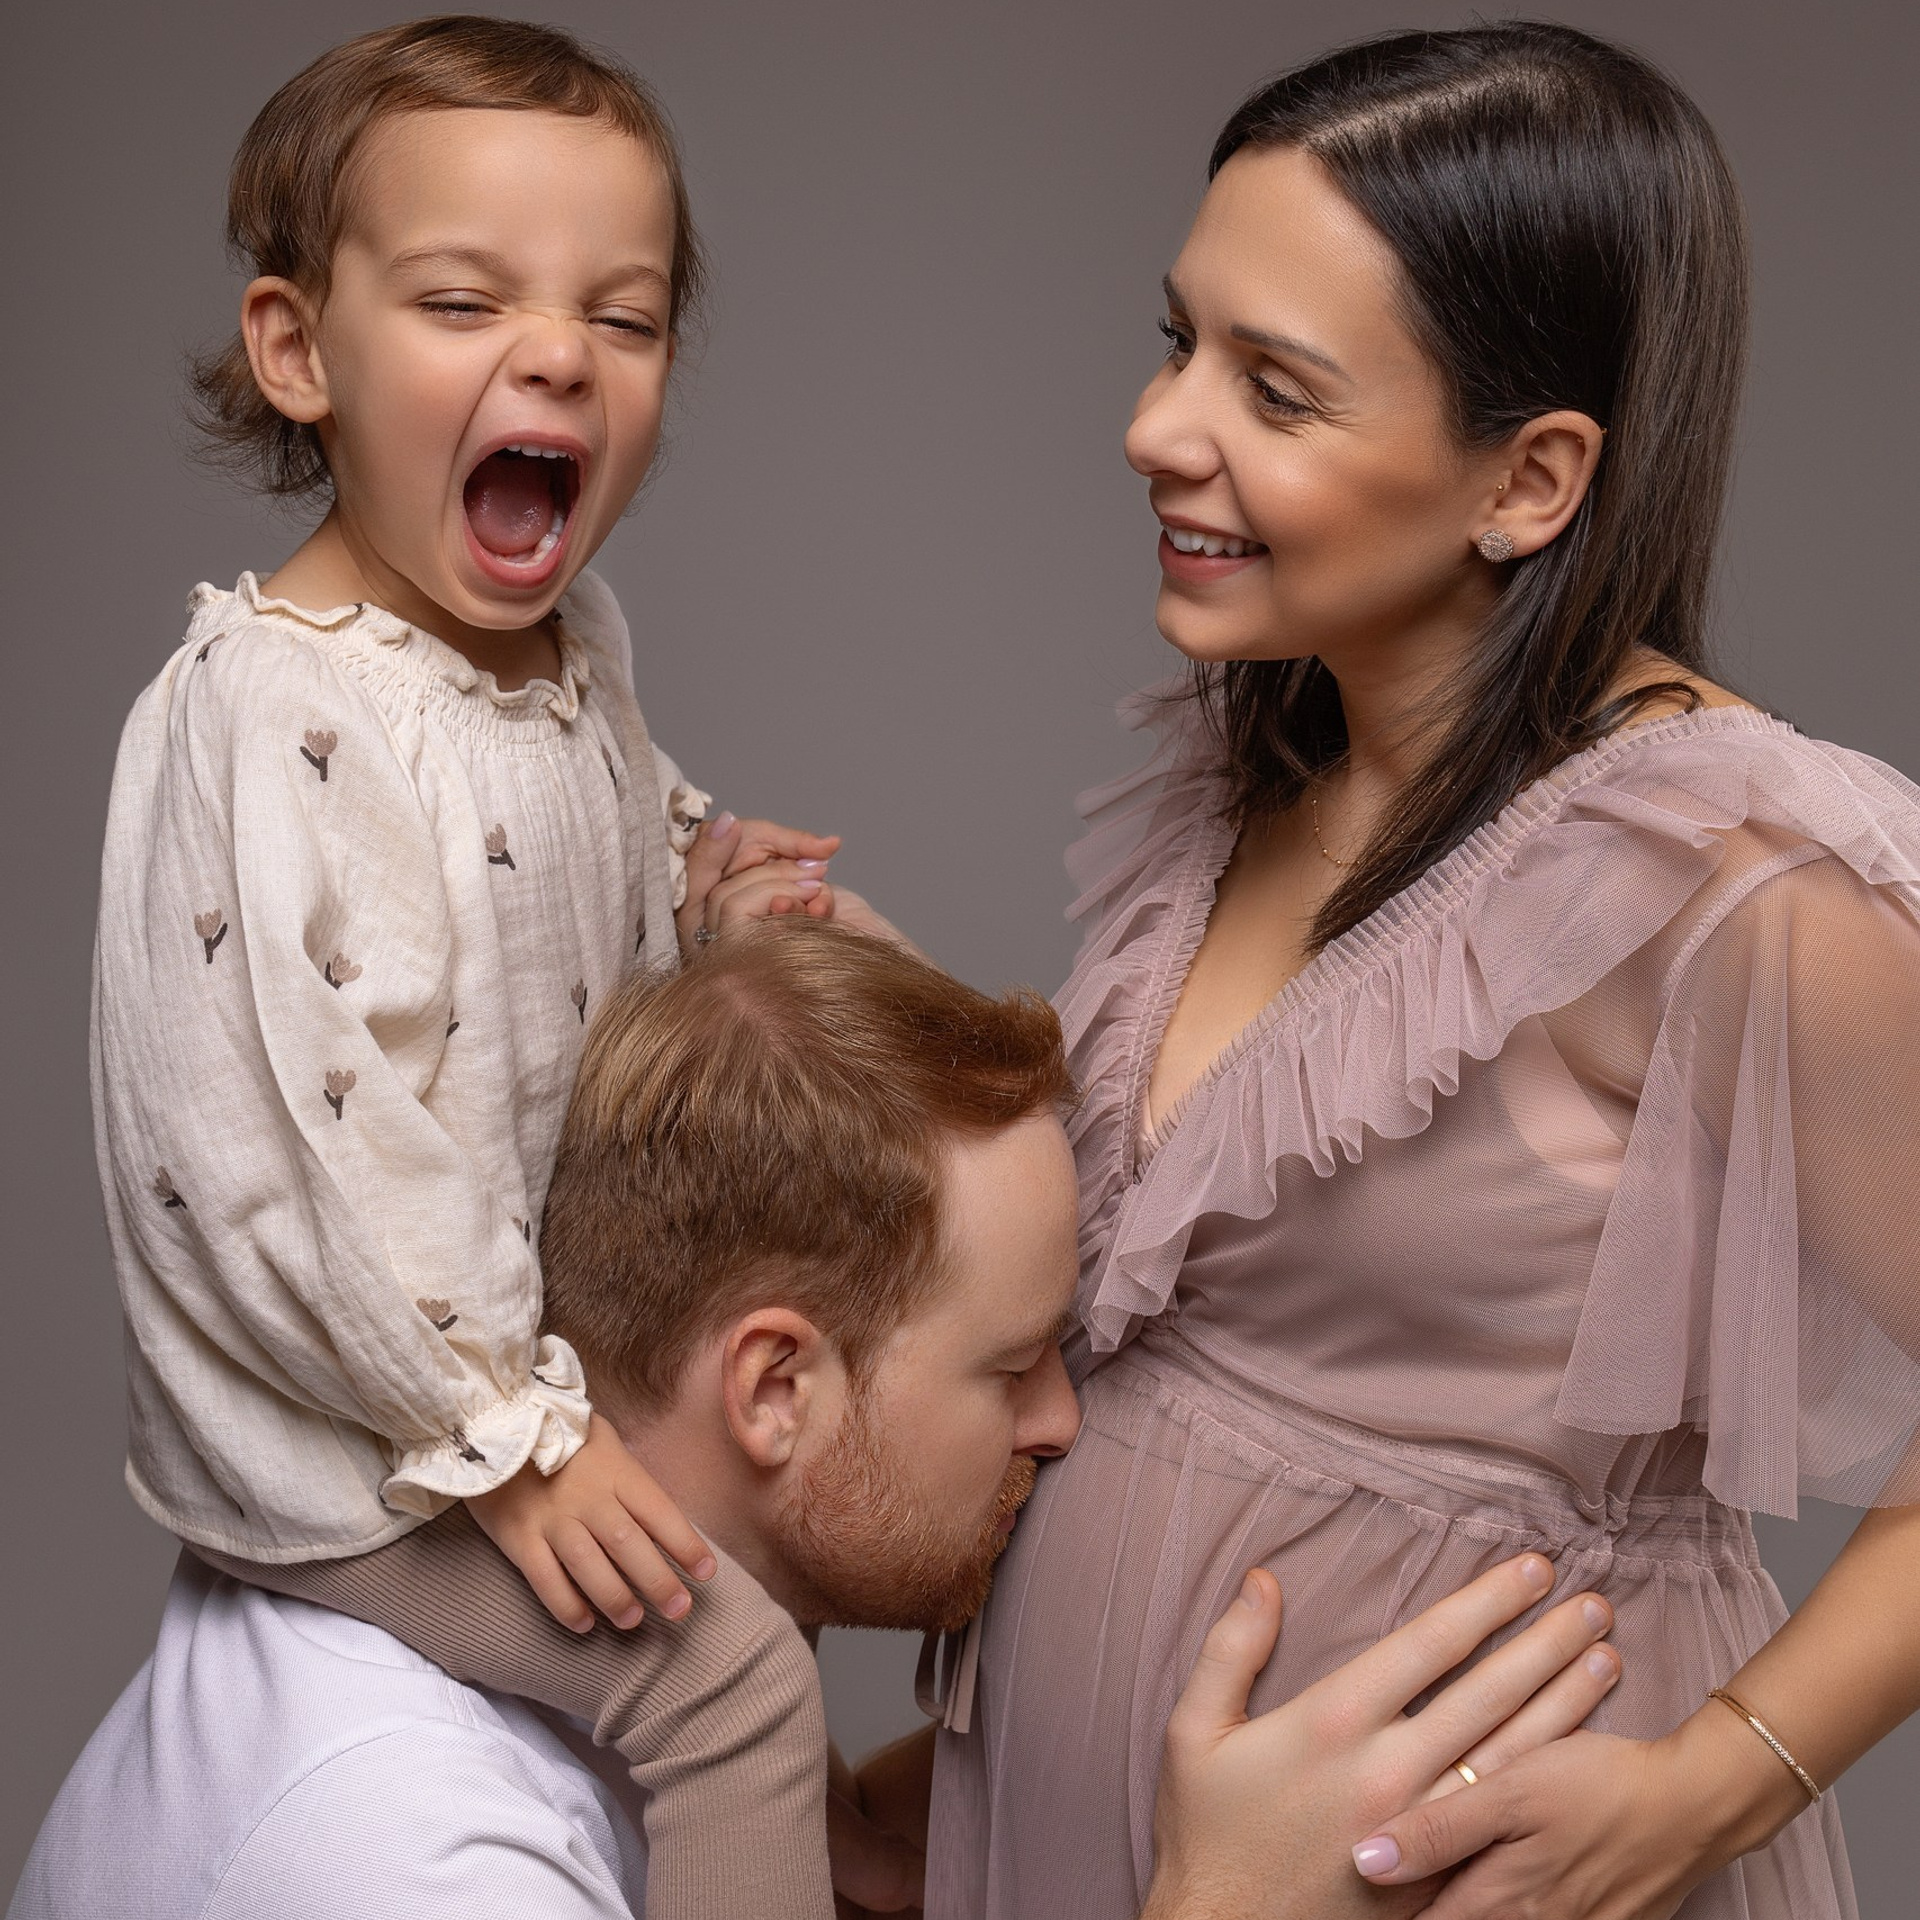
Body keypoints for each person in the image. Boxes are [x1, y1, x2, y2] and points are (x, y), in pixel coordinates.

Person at [926, 22, 1920, 1920]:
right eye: (1178, 339)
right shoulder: (1250, 763)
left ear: (1530, 479)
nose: (1160, 425)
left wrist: (1706, 1792)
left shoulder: (1730, 876)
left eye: (1275, 389)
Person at [15, 924, 1625, 1919]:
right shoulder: (407, 1854)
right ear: (774, 1389)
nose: (1064, 1423)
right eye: (1012, 1368)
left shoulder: (564, 1703)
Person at [90, 20, 860, 1917]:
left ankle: (806, 1861)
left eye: (629, 315)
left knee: (771, 1538)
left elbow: (590, 825)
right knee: (735, 1684)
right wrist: (498, 1451)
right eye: (463, 299)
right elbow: (301, 1131)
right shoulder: (267, 709)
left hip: (505, 1380)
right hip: (363, 1447)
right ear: (299, 354)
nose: (561, 356)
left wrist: (704, 878)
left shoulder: (564, 643)